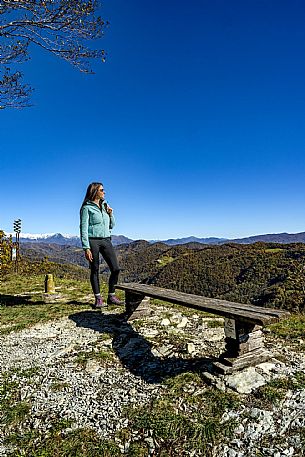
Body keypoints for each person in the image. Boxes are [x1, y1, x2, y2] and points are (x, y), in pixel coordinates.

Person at [80, 182, 123, 309]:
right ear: (95, 192)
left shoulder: (105, 206)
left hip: (106, 240)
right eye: (102, 190)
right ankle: (98, 298)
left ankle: (111, 295)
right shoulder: (86, 208)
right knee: (95, 269)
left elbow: (112, 225)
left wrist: (110, 213)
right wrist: (86, 247)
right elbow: (83, 228)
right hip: (93, 241)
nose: (104, 192)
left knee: (115, 269)